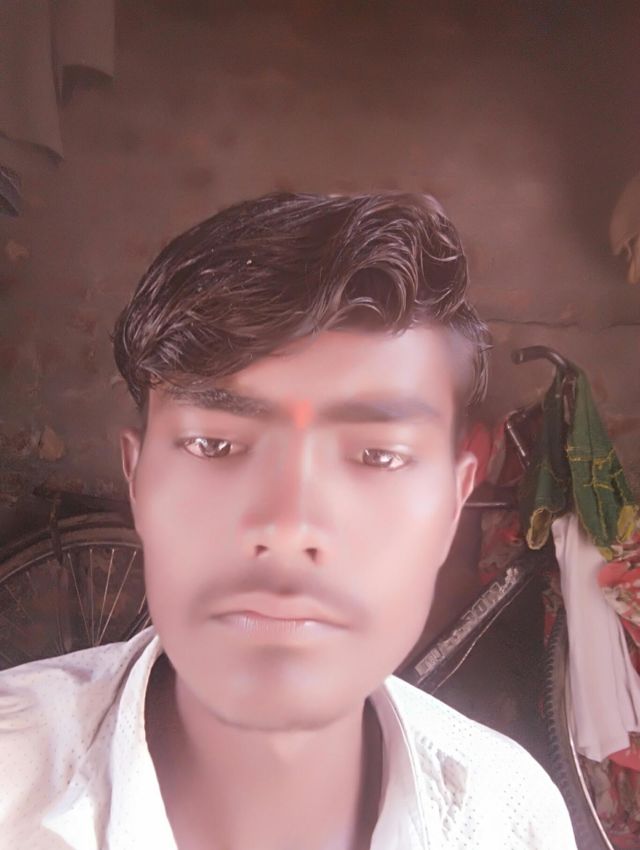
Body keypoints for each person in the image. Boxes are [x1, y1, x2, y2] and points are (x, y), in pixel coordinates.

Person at [0, 192, 577, 849]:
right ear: (137, 480)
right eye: (214, 445)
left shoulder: (511, 822)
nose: (288, 525)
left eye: (378, 456)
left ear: (453, 500)